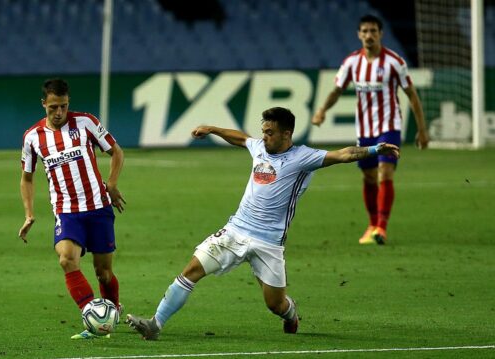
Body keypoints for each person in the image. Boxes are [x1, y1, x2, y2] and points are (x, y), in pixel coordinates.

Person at [126, 107, 400, 340]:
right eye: (264, 131)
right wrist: (212, 129)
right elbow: (242, 139)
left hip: (269, 242)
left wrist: (375, 149)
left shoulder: (304, 158)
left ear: (286, 134)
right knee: (192, 269)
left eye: (270, 132)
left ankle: (290, 314)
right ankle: (155, 324)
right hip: (235, 230)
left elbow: (344, 154)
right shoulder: (259, 147)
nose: (264, 137)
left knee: (275, 303)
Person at [18, 78, 126, 339]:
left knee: (104, 273)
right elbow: (27, 178)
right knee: (67, 258)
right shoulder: (32, 138)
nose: (59, 113)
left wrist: (111, 184)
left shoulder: (86, 122)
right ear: (44, 103)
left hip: (99, 207)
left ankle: (111, 312)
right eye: (53, 107)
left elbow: (117, 152)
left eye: (64, 106)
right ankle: (92, 316)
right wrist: (29, 213)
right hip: (66, 211)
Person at [311, 14, 429, 245]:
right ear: (359, 34)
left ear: (380, 34)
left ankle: (381, 228)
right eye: (364, 31)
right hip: (364, 128)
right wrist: (322, 110)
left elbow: (412, 96)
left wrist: (422, 129)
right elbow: (337, 90)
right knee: (369, 176)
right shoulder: (352, 63)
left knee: (385, 171)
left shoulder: (395, 62)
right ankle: (372, 224)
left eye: (373, 31)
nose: (368, 35)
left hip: (390, 124)